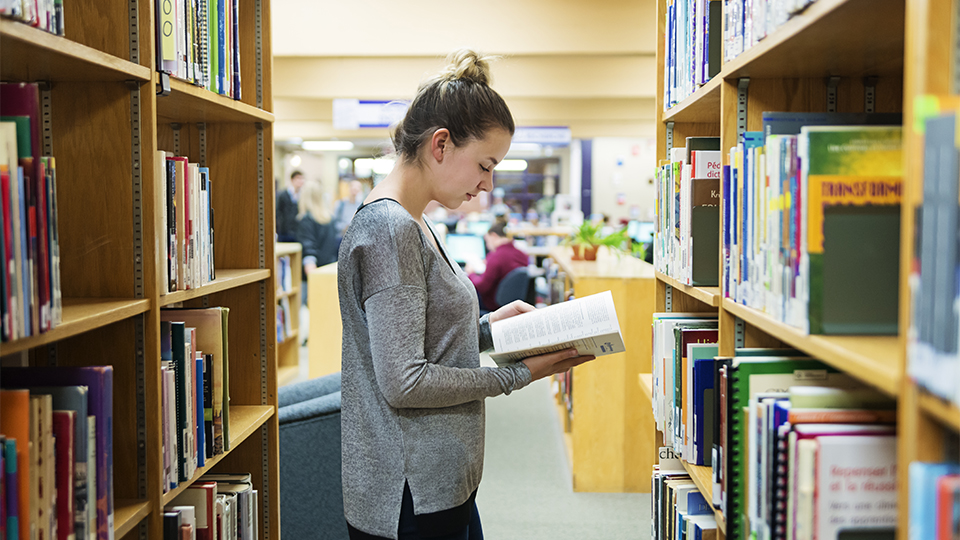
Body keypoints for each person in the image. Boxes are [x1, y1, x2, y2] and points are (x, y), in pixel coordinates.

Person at [337, 49, 597, 540]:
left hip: (436, 483)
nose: (488, 183)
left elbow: (424, 340)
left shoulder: (414, 222)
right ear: (440, 144)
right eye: (484, 164)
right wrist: (516, 375)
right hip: (410, 493)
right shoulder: (390, 229)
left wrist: (493, 327)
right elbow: (404, 382)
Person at [465, 221, 529, 312]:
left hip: (493, 306)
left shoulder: (496, 257)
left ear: (494, 236)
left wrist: (471, 274)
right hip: (513, 304)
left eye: (487, 240)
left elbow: (482, 287)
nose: (487, 245)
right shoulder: (522, 254)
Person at [296, 180, 338, 275]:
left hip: (314, 272)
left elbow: (308, 248)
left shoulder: (306, 219)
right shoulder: (330, 218)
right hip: (330, 268)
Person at [277, 170, 305, 242]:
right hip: (284, 231)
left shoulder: (302, 196)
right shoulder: (283, 194)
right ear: (292, 180)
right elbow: (278, 212)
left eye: (302, 179)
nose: (300, 181)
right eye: (298, 178)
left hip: (297, 231)